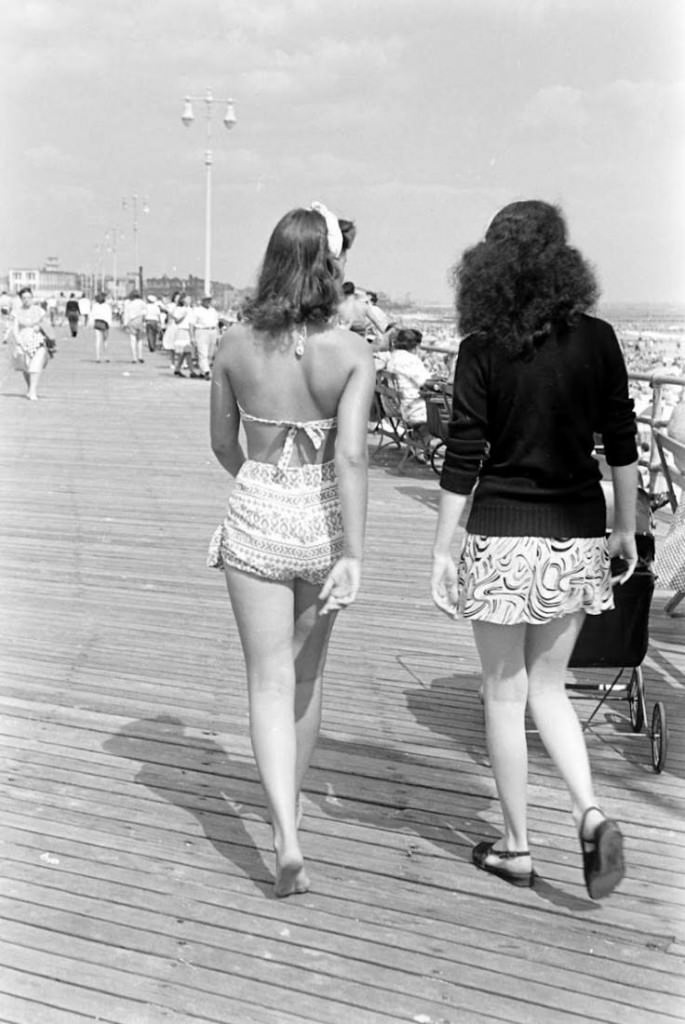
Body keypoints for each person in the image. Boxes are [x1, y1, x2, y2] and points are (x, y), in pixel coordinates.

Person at [431, 200, 638, 900]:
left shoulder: (482, 346)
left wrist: (443, 545)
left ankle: (516, 848)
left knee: (502, 692)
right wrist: (624, 527)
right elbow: (621, 447)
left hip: (501, 535)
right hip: (576, 533)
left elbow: (464, 453)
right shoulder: (599, 340)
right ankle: (588, 810)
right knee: (548, 688)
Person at [207, 202, 375, 897]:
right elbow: (354, 456)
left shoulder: (236, 343)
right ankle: (291, 817)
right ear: (331, 265)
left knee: (265, 681)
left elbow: (221, 441)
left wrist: (257, 480)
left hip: (257, 512)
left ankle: (285, 833)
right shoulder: (349, 351)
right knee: (305, 679)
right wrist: (352, 553)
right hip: (323, 524)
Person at [385, 327, 432, 452]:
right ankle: (421, 446)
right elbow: (425, 382)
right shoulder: (410, 360)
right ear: (416, 345)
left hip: (397, 406)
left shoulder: (393, 357)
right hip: (413, 408)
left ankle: (417, 444)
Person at [8, 286, 56, 399]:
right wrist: (18, 340)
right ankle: (30, 388)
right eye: (24, 298)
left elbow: (47, 324)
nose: (27, 300)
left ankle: (33, 391)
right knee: (25, 367)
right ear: (20, 299)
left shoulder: (39, 310)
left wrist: (39, 326)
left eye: (29, 297)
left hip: (38, 339)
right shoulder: (16, 312)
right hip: (23, 340)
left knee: (35, 365)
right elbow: (14, 328)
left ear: (32, 297)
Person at [192, 294, 219, 379]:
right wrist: (192, 336)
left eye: (209, 300)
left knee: (210, 353)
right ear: (202, 301)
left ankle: (202, 370)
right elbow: (191, 324)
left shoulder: (213, 310)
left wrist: (217, 334)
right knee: (202, 352)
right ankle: (206, 371)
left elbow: (216, 323)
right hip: (202, 330)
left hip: (212, 331)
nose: (208, 302)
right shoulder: (197, 310)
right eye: (206, 300)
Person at [123, 289, 147, 363]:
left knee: (132, 340)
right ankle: (140, 356)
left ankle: (134, 357)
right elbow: (145, 312)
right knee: (140, 340)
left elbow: (126, 314)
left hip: (131, 321)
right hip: (139, 320)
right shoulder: (142, 303)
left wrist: (125, 323)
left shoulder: (129, 303)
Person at [91, 292, 113, 362]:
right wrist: (109, 324)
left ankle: (98, 357)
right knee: (105, 341)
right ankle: (106, 356)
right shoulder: (107, 306)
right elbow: (109, 316)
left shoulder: (95, 306)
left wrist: (91, 323)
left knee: (98, 340)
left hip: (97, 322)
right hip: (105, 323)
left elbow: (92, 315)